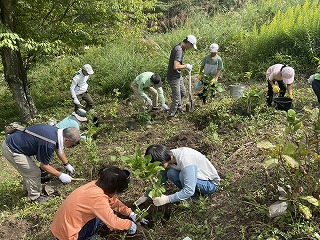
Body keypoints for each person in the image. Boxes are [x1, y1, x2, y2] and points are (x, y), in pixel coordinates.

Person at [51, 166, 148, 240]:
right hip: (69, 236)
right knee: (102, 219)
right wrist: (130, 224)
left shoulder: (96, 185)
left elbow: (112, 201)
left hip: (60, 229)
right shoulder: (98, 199)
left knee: (101, 214)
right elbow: (113, 223)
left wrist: (130, 213)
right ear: (113, 189)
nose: (116, 194)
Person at [1, 124, 80, 202]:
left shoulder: (56, 132)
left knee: (30, 169)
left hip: (18, 143)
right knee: (34, 172)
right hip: (12, 148)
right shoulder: (49, 143)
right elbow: (44, 166)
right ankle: (35, 198)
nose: (70, 147)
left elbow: (58, 148)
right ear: (66, 140)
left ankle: (28, 189)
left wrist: (66, 164)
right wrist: (60, 175)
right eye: (71, 145)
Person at [135, 144, 220, 207]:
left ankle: (194, 199)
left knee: (182, 175)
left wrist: (167, 199)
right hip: (197, 180)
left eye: (156, 165)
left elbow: (189, 190)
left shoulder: (185, 160)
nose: (157, 168)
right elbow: (161, 179)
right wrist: (146, 195)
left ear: (163, 162)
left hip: (210, 184)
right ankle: (191, 196)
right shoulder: (168, 157)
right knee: (170, 173)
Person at [167, 34, 197, 120]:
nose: (191, 48)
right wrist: (186, 66)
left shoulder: (180, 47)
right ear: (188, 43)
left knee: (182, 92)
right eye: (191, 46)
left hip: (177, 75)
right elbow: (176, 66)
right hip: (173, 77)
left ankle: (179, 107)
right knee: (176, 98)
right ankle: (171, 115)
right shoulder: (179, 50)